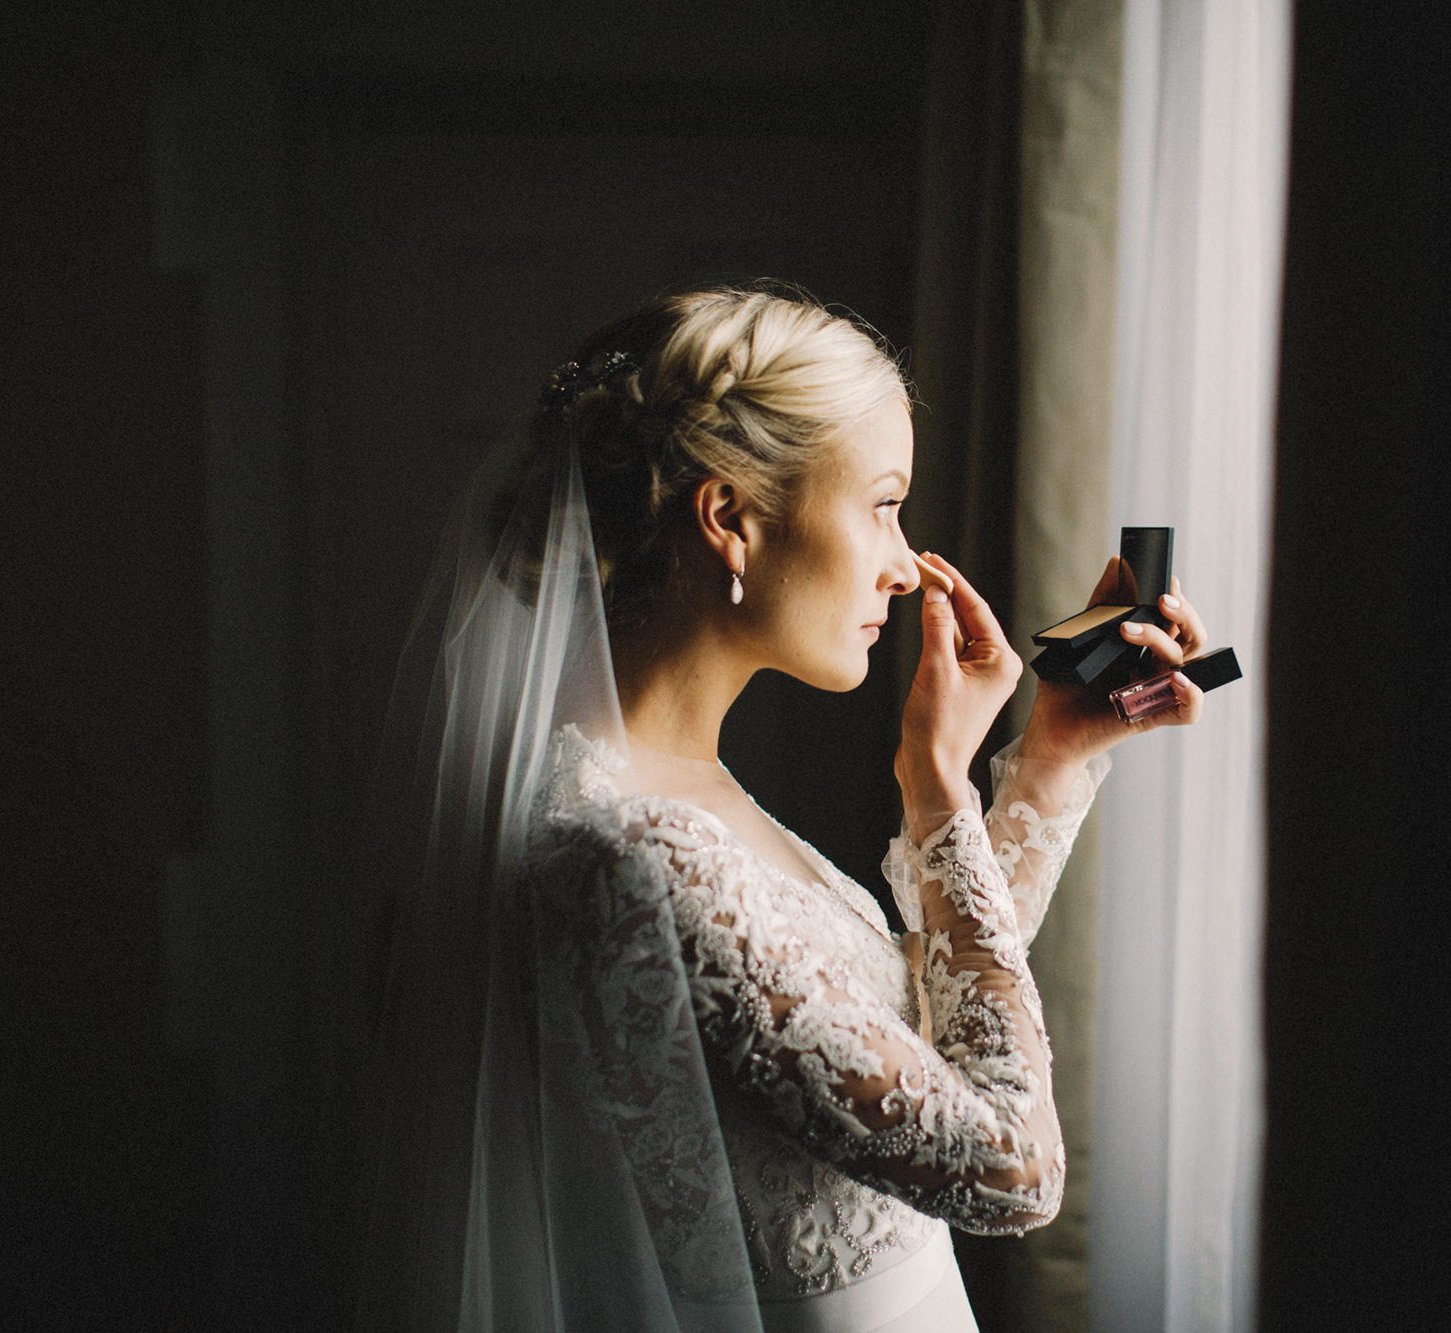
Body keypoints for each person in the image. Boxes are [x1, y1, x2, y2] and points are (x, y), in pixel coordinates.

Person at [358, 286, 1213, 1332]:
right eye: (883, 504)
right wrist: (934, 787)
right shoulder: (636, 848)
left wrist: (1046, 764)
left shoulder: (671, 796)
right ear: (731, 519)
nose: (905, 567)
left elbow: (896, 1032)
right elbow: (1011, 1166)